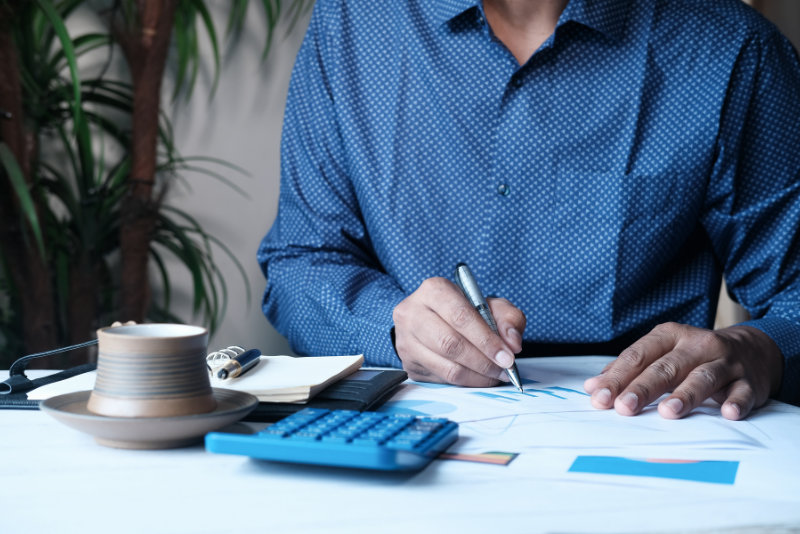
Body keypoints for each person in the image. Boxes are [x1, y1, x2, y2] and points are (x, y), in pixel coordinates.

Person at [258, 0, 800, 420]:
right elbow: (300, 262)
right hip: (403, 433)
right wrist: (393, 329)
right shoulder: (352, 22)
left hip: (638, 434)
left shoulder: (732, 49)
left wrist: (762, 347)